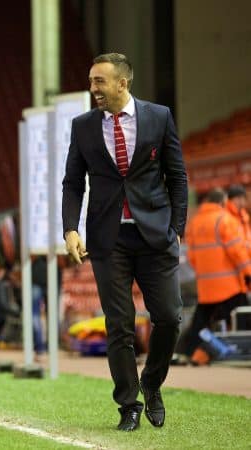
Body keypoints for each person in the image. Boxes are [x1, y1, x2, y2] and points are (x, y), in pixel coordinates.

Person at [62, 53, 188, 431]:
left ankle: (151, 383)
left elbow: (177, 177)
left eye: (100, 81)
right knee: (119, 324)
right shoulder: (83, 126)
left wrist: (176, 228)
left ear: (123, 83)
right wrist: (70, 228)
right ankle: (128, 404)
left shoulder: (159, 117)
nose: (93, 88)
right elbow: (72, 182)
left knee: (168, 317)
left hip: (155, 236)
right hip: (107, 239)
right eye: (91, 81)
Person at [179, 188, 251, 364]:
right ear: (222, 201)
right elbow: (237, 252)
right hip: (230, 286)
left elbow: (192, 257)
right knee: (242, 318)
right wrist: (248, 273)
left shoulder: (194, 223)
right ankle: (227, 353)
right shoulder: (225, 219)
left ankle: (188, 354)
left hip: (205, 286)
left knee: (200, 324)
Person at [226, 184, 250, 252]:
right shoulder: (227, 216)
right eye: (242, 197)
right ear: (236, 199)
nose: (244, 200)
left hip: (246, 256)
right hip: (238, 256)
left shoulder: (244, 215)